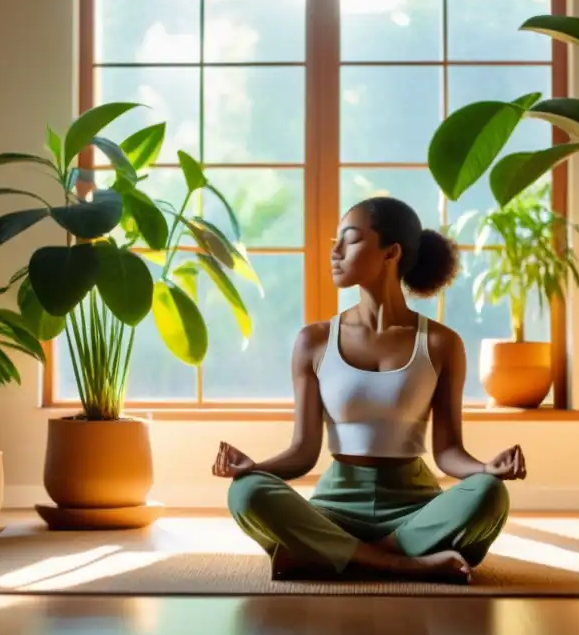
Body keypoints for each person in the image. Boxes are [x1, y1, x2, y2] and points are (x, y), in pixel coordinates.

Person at [212, 197, 527, 582]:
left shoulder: (442, 343)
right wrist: (254, 468)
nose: (335, 251)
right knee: (245, 492)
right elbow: (303, 452)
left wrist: (485, 468)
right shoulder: (314, 341)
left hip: (414, 509)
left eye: (351, 239)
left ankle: (333, 556)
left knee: (489, 494)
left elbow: (447, 452)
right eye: (336, 240)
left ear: (391, 252)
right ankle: (402, 563)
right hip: (334, 509)